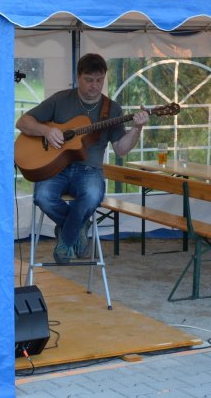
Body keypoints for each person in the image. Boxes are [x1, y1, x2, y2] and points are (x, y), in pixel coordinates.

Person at [16, 53, 149, 264]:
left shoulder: (112, 109)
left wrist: (137, 128)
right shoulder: (60, 99)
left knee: (92, 195)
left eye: (99, 80)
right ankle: (78, 227)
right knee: (42, 196)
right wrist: (46, 131)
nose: (94, 86)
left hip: (89, 170)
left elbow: (121, 150)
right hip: (56, 168)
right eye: (89, 80)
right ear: (78, 77)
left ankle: (65, 240)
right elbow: (23, 122)